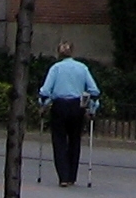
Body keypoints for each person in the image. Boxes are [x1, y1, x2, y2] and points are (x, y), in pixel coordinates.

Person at [36, 40, 100, 188]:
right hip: (77, 106)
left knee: (59, 141)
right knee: (74, 140)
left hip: (60, 106)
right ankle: (72, 176)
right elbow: (94, 90)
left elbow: (45, 91)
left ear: (59, 53)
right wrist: (92, 107)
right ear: (72, 52)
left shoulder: (56, 68)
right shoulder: (82, 68)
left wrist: (43, 105)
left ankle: (63, 176)